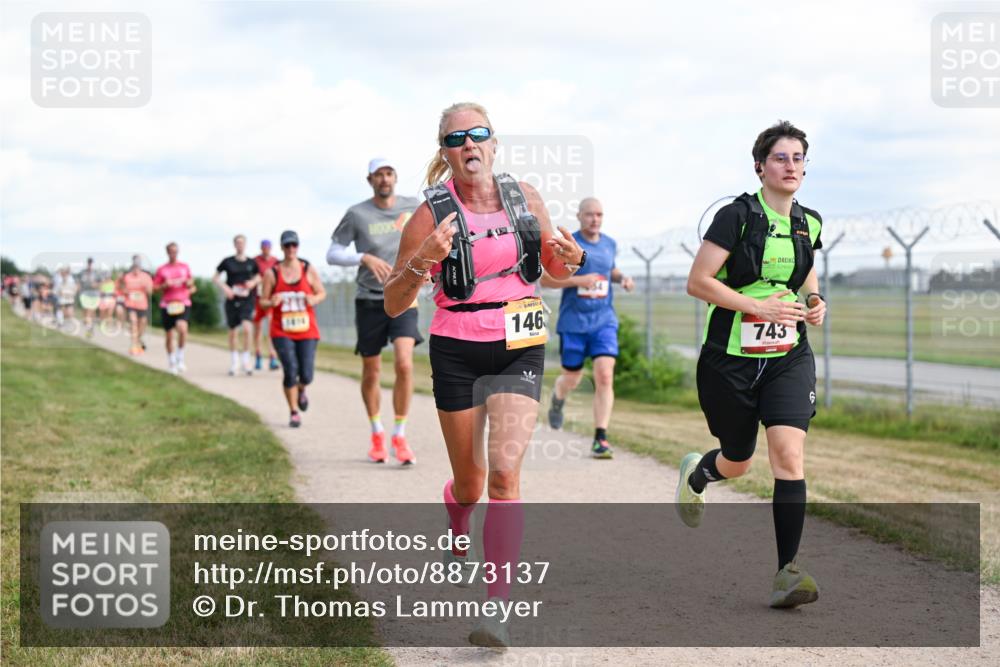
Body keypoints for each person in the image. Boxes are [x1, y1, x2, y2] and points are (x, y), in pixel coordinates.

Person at [384, 102, 584, 648]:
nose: (469, 144)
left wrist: (572, 256)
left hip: (520, 345)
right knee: (471, 484)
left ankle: (498, 609)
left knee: (503, 475)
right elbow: (394, 302)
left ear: (494, 143)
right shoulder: (430, 214)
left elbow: (554, 267)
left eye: (479, 135)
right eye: (456, 138)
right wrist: (425, 257)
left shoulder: (526, 198)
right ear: (445, 152)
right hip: (456, 349)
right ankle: (456, 511)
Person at [678, 120, 827, 609]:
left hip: (788, 356)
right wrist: (756, 307)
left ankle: (787, 571)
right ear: (760, 166)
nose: (791, 166)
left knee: (788, 456)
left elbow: (805, 271)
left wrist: (815, 298)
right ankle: (699, 474)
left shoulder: (810, 222)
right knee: (738, 460)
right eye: (781, 158)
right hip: (730, 361)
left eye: (798, 158)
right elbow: (698, 282)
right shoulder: (736, 216)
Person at [327, 157, 422, 465]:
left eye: (389, 173)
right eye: (378, 175)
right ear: (369, 180)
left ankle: (400, 433)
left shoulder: (413, 206)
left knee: (405, 364)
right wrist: (363, 257)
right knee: (373, 370)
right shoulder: (357, 214)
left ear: (396, 177)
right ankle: (377, 431)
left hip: (406, 297)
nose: (384, 179)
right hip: (370, 299)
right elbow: (333, 253)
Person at [541, 197, 635, 459]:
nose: (595, 219)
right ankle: (558, 398)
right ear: (580, 216)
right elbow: (547, 281)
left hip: (604, 320)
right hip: (574, 322)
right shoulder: (569, 243)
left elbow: (610, 270)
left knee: (605, 375)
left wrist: (622, 278)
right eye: (590, 214)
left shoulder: (609, 243)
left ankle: (600, 438)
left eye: (600, 215)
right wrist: (579, 279)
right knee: (572, 378)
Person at [260, 230, 326, 428]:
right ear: (281, 248)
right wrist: (271, 301)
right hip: (282, 330)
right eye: (287, 245)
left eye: (294, 245)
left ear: (297, 247)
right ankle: (293, 411)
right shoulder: (272, 273)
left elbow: (321, 292)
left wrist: (313, 299)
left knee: (306, 374)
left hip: (307, 330)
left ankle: (301, 388)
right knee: (290, 371)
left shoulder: (307, 269)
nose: (291, 249)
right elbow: (262, 301)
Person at [214, 234, 261, 376]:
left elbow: (259, 276)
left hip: (247, 299)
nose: (240, 245)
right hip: (232, 299)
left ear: (245, 244)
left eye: (242, 243)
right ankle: (235, 362)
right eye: (237, 243)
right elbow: (215, 277)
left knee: (247, 328)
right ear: (234, 245)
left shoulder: (251, 262)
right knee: (233, 331)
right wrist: (226, 289)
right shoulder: (228, 262)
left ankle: (246, 360)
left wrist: (253, 283)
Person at [153, 242, 195, 375]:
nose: (173, 253)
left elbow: (192, 285)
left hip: (183, 303)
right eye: (171, 251)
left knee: (182, 328)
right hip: (167, 304)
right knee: (169, 334)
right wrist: (164, 285)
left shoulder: (185, 267)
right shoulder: (162, 269)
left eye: (175, 251)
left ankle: (180, 356)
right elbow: (155, 288)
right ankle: (171, 361)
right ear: (167, 252)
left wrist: (189, 286)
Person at [252, 239, 280, 371]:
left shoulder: (276, 261)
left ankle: (272, 356)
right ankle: (257, 354)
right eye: (264, 247)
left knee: (270, 328)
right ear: (261, 248)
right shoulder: (255, 261)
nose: (266, 249)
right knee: (257, 329)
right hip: (257, 299)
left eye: (268, 247)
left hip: (269, 300)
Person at [119, 255, 153, 355]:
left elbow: (150, 292)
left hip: (142, 305)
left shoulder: (146, 276)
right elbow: (122, 288)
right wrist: (125, 291)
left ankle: (138, 340)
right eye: (135, 261)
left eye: (138, 261)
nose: (137, 263)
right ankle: (134, 345)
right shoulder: (127, 276)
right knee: (133, 322)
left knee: (142, 324)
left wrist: (147, 288)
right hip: (130, 303)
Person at [77, 257, 101, 337]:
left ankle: (89, 327)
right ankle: (89, 325)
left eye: (91, 263)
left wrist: (96, 285)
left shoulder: (96, 273)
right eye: (89, 263)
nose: (90, 264)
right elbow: (79, 283)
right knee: (86, 311)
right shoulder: (82, 272)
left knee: (91, 311)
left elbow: (101, 283)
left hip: (94, 294)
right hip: (84, 293)